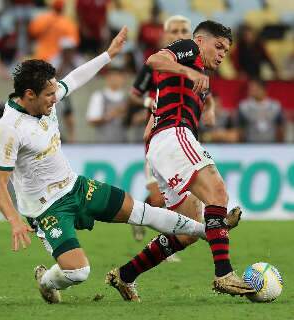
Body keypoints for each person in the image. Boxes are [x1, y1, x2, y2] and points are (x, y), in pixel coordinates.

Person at [0, 27, 211, 305]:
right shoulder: (8, 128)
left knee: (142, 212)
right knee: (79, 272)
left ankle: (208, 231)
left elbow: (74, 79)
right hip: (46, 207)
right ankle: (47, 281)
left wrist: (108, 54)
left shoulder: (46, 98)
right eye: (49, 95)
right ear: (29, 94)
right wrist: (14, 221)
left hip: (75, 186)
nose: (55, 97)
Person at [106, 21, 255, 301]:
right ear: (200, 40)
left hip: (164, 143)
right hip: (174, 136)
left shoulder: (198, 77)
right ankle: (224, 273)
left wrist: (206, 106)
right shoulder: (188, 50)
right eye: (218, 46)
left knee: (187, 230)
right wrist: (187, 69)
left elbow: (160, 108)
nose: (222, 54)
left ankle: (124, 275)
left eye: (227, 50)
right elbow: (155, 60)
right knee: (218, 191)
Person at [130, 15, 217, 245]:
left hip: (177, 132)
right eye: (174, 31)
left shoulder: (195, 62)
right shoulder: (159, 63)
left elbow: (205, 94)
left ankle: (165, 234)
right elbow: (134, 94)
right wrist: (151, 107)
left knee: (184, 201)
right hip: (162, 132)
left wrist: (210, 108)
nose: (179, 35)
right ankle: (214, 231)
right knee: (160, 198)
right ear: (166, 35)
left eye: (183, 30)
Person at [86, 65, 128, 143]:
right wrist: (110, 115)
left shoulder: (127, 99)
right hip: (104, 146)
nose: (115, 79)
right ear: (107, 78)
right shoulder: (99, 96)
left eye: (118, 76)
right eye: (112, 76)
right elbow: (91, 120)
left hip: (123, 144)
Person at [237, 79, 285, 143]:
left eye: (254, 88)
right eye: (250, 88)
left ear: (263, 89)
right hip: (250, 146)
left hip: (271, 146)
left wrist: (279, 146)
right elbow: (240, 130)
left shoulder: (275, 106)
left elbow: (280, 128)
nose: (250, 91)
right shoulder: (244, 107)